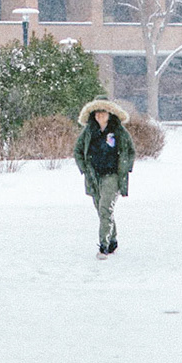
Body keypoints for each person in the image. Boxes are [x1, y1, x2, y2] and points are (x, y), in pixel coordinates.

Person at [72, 98, 136, 257]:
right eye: (97, 113)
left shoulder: (119, 131)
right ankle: (113, 240)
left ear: (110, 113)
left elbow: (130, 151)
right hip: (93, 176)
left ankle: (104, 246)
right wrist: (84, 168)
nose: (100, 115)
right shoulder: (88, 132)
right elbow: (78, 151)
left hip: (112, 176)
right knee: (101, 210)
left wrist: (125, 168)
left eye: (103, 112)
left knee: (105, 208)